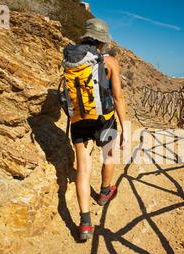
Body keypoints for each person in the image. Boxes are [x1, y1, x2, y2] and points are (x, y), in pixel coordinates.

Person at [72, 19, 127, 240]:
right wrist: (123, 127)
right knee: (108, 155)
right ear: (102, 41)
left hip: (79, 119)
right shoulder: (110, 62)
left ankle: (85, 223)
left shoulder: (71, 57)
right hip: (104, 119)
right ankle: (105, 193)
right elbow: (117, 97)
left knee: (83, 169)